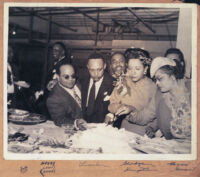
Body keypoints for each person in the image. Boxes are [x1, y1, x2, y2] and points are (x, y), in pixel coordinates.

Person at [127, 56, 191, 140]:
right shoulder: (159, 95)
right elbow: (146, 116)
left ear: (172, 76)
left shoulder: (192, 88)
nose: (157, 83)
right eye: (155, 80)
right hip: (173, 144)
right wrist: (130, 111)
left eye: (160, 79)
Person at [105, 48, 157, 135]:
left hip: (144, 132)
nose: (133, 72)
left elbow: (157, 114)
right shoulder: (123, 81)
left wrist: (153, 128)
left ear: (145, 69)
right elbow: (111, 105)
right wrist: (120, 108)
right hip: (123, 131)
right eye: (130, 68)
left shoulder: (153, 87)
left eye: (137, 69)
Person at [46, 61, 84, 127]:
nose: (71, 79)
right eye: (66, 77)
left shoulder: (79, 83)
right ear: (58, 77)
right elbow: (59, 120)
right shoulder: (53, 98)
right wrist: (76, 122)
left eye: (73, 76)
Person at [80, 52, 114, 123]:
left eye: (99, 69)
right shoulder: (81, 80)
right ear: (87, 67)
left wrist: (111, 115)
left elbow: (117, 104)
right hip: (83, 123)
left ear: (104, 66)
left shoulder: (113, 84)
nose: (96, 74)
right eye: (92, 70)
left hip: (102, 126)